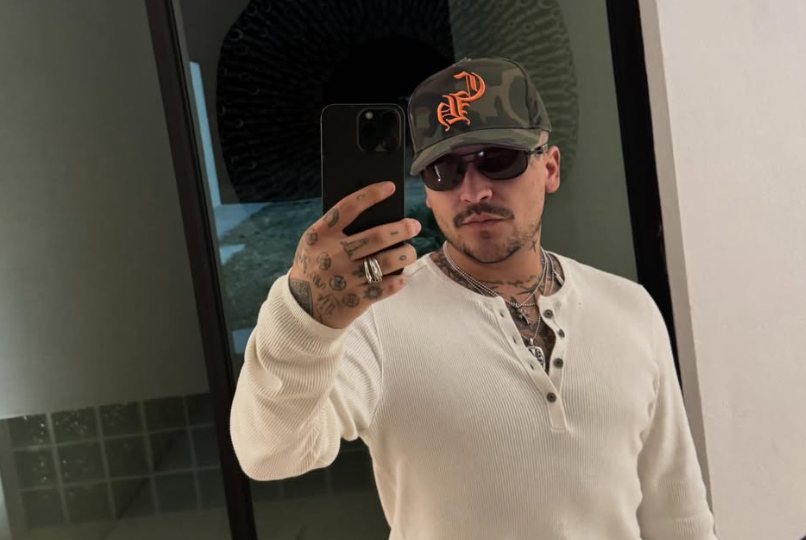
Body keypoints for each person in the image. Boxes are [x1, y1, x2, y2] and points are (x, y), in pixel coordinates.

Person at [230, 57, 718, 539]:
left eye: (499, 160)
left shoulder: (630, 308)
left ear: (550, 167)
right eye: (445, 171)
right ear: (427, 191)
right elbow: (270, 453)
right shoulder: (377, 321)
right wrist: (305, 316)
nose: (474, 191)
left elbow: (677, 511)